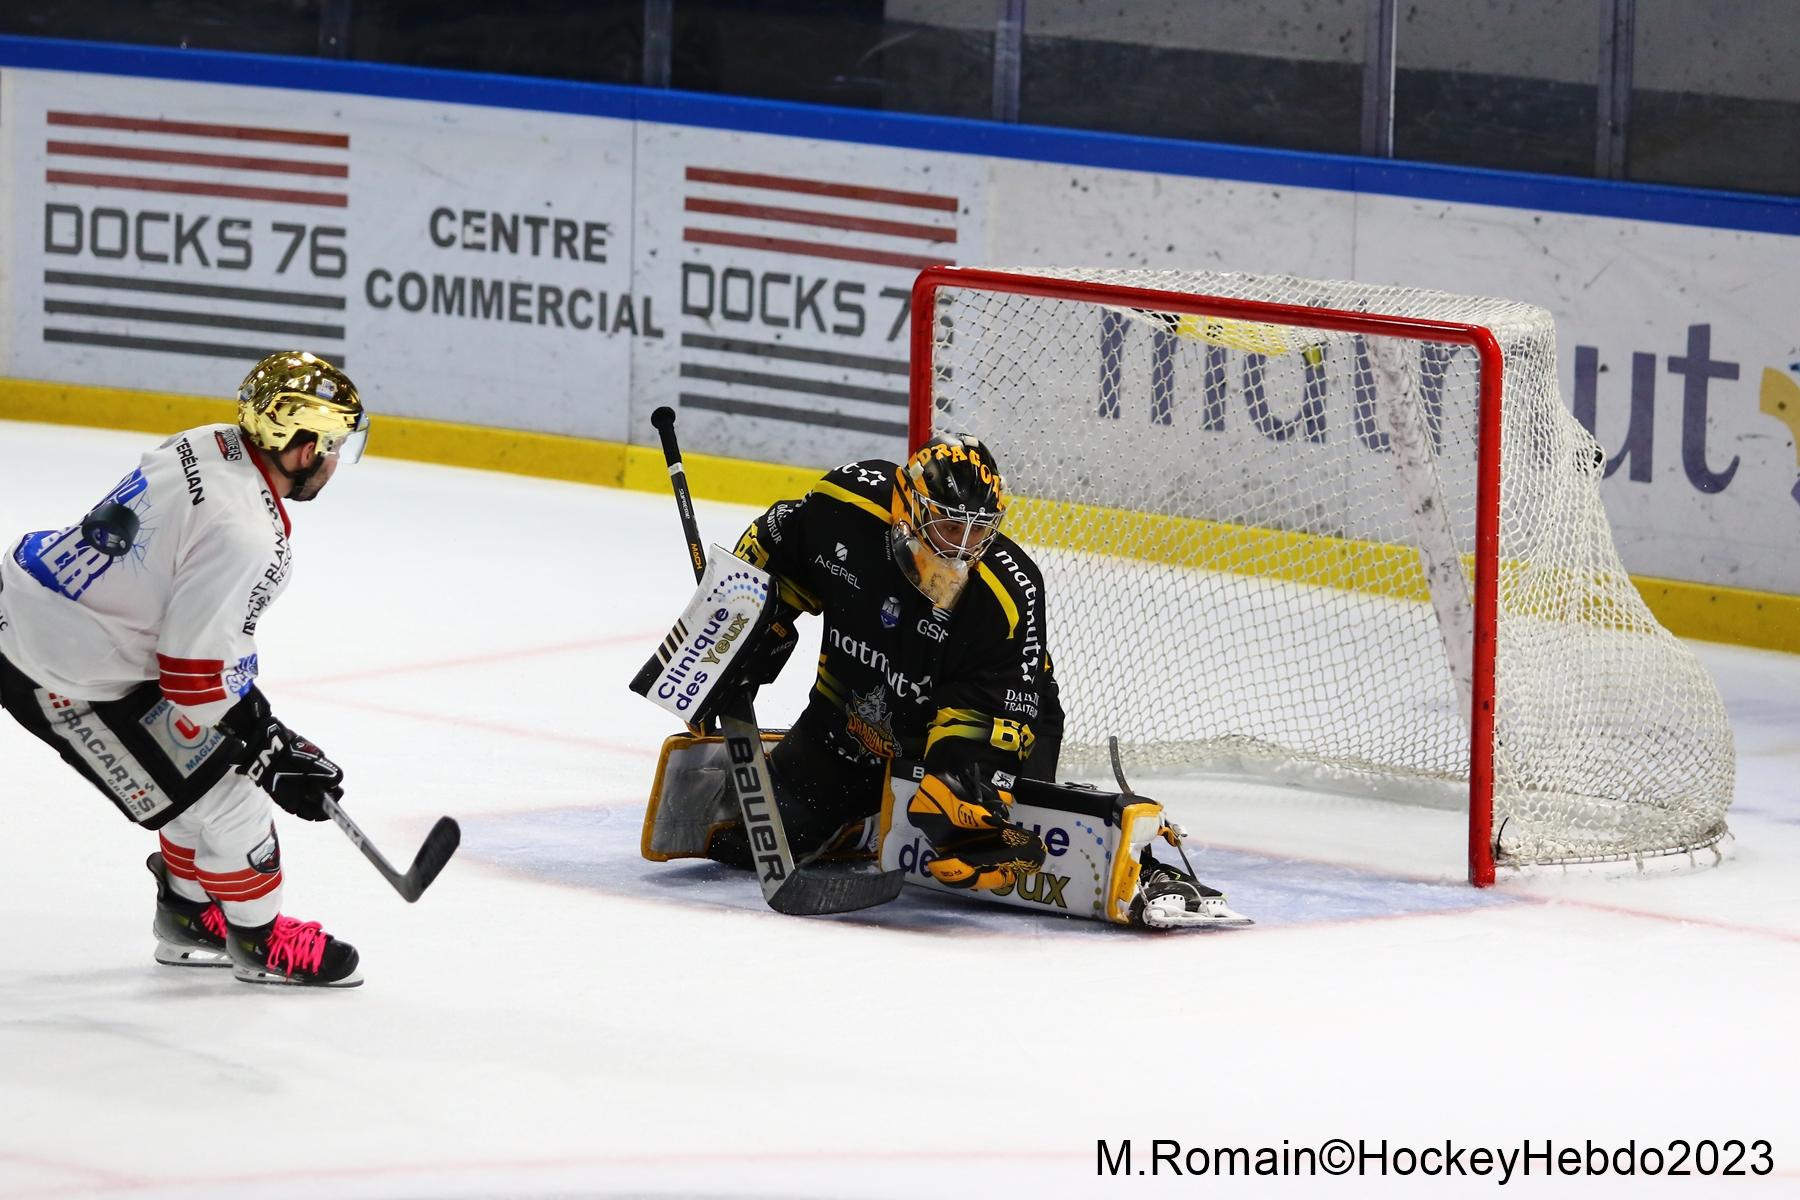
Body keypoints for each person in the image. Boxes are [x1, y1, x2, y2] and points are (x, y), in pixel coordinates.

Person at [657, 433, 1234, 924]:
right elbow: (774, 548)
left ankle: (1126, 862)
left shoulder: (1007, 595)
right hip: (849, 719)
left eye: (977, 532)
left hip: (990, 722)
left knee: (974, 850)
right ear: (906, 508)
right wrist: (731, 640)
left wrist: (962, 787)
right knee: (741, 843)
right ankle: (862, 814)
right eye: (946, 527)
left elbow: (993, 704)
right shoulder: (846, 507)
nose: (961, 549)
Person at [0, 351, 371, 986]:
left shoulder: (209, 442)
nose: (336, 462)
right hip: (64, 670)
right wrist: (265, 748)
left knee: (195, 774)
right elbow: (194, 677)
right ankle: (256, 942)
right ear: (302, 448)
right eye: (334, 446)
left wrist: (258, 729)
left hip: (39, 610)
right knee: (234, 800)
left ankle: (189, 914)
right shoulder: (245, 532)